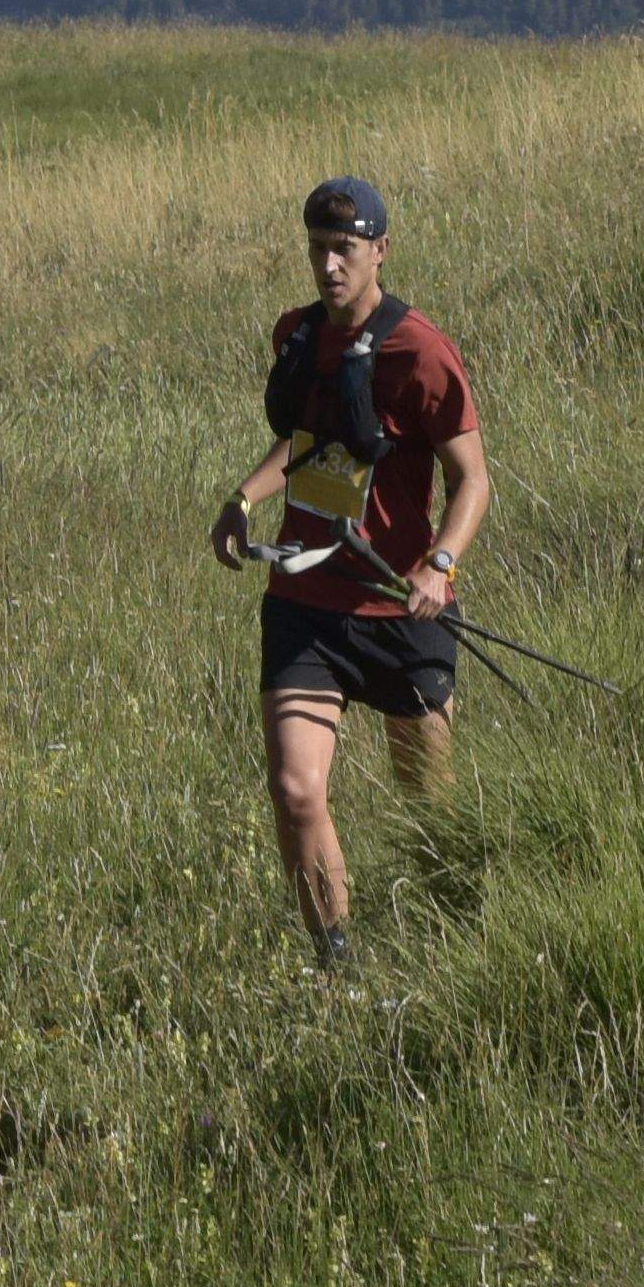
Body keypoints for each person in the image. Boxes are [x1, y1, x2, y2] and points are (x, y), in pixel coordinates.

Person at [213, 172, 489, 975]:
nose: (329, 265)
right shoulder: (296, 335)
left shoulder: (422, 351)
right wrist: (242, 498)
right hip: (304, 603)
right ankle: (339, 968)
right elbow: (305, 440)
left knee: (428, 811)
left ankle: (452, 948)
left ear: (379, 252)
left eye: (345, 249)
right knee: (297, 792)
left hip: (402, 610)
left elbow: (474, 478)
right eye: (317, 250)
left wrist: (440, 564)